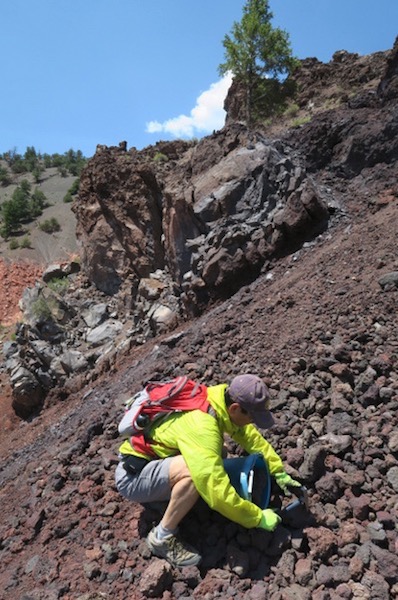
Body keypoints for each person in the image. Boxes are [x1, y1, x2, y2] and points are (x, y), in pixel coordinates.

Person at [115, 374, 301, 568]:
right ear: (235, 408)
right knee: (195, 473)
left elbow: (250, 437)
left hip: (156, 461)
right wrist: (257, 517)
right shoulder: (204, 427)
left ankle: (167, 497)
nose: (252, 422)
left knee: (217, 452)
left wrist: (278, 471)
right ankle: (162, 536)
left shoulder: (218, 399)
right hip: (133, 477)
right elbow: (215, 488)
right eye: (252, 417)